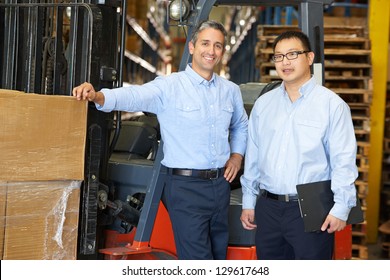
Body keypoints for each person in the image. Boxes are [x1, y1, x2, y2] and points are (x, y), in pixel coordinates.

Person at [72, 20, 248, 260]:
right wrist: (100, 95)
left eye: (218, 46)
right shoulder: (170, 86)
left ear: (222, 52)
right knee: (198, 261)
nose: (211, 51)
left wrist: (237, 156)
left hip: (220, 186)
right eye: (205, 43)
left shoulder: (230, 90)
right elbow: (136, 95)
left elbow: (240, 125)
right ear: (193, 47)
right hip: (186, 187)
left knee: (218, 254)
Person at [240, 30, 358, 260]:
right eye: (279, 56)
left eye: (293, 54)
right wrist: (248, 202)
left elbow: (343, 161)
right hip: (268, 207)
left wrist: (342, 207)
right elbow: (253, 156)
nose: (285, 62)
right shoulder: (264, 105)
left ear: (310, 57)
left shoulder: (332, 105)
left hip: (311, 209)